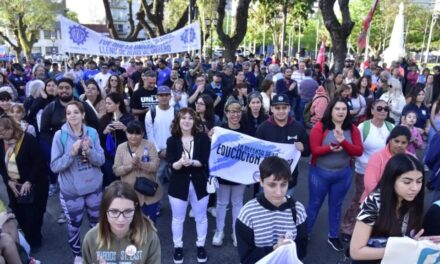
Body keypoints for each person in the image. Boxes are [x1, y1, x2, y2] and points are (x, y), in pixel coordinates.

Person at [50, 101, 105, 264]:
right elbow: (54, 166)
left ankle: (95, 252)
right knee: (74, 225)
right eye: (69, 113)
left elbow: (101, 160)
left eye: (76, 112)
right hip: (72, 191)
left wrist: (89, 150)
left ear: (83, 114)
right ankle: (78, 254)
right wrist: (72, 152)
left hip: (93, 187)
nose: (72, 115)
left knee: (96, 224)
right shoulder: (60, 136)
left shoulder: (93, 133)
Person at [308, 97, 363, 251]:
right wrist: (330, 148)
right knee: (314, 204)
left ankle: (333, 235)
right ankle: (305, 233)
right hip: (319, 173)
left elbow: (358, 151)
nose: (340, 112)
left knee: (336, 205)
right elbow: (314, 150)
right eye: (337, 109)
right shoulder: (320, 127)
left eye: (344, 109)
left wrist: (343, 142)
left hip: (342, 174)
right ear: (330, 110)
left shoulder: (352, 129)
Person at [350, 154, 425, 263]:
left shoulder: (412, 201)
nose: (415, 188)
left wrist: (414, 243)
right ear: (391, 180)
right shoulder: (374, 203)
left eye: (419, 181)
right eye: (407, 182)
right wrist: (400, 250)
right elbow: (356, 252)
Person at [235, 156, 308, 264]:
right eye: (272, 185)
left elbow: (301, 251)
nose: (279, 192)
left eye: (283, 184)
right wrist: (274, 249)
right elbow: (246, 258)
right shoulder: (247, 214)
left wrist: (289, 248)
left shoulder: (298, 211)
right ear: (261, 181)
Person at [340, 100, 394, 241]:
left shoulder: (391, 126)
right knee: (359, 199)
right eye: (380, 108)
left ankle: (367, 229)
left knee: (379, 201)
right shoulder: (363, 127)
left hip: (385, 171)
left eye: (386, 109)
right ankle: (347, 227)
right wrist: (366, 163)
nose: (383, 111)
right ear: (372, 110)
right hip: (364, 170)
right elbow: (357, 149)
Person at [166, 108, 211, 264]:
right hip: (178, 185)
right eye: (183, 118)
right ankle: (178, 247)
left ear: (194, 121)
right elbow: (172, 165)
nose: (186, 121)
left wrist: (192, 162)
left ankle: (201, 245)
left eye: (190, 118)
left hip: (200, 184)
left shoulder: (203, 138)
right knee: (178, 218)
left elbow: (204, 162)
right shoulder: (171, 141)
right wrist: (180, 162)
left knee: (201, 217)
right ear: (178, 121)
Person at [82, 181, 161, 264]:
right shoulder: (91, 238)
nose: (121, 219)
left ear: (136, 209)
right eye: (114, 211)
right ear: (104, 210)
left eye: (128, 211)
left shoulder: (149, 237)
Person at [0, 114, 48, 250]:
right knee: (19, 214)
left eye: (3, 132)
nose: (1, 136)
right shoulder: (1, 142)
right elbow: (1, 166)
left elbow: (38, 162)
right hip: (13, 185)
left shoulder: (28, 140)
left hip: (34, 183)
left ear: (11, 128)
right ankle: (28, 236)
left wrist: (29, 181)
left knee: (34, 215)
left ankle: (35, 240)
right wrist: (8, 181)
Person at [256, 94, 310, 194]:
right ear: (272, 109)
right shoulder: (263, 128)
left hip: (289, 180)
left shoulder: (298, 127)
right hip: (268, 178)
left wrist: (303, 148)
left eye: (284, 108)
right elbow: (256, 153)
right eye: (277, 108)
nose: (281, 111)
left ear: (289, 108)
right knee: (266, 208)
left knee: (285, 208)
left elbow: (308, 151)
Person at [213, 100, 249, 248]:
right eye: (232, 111)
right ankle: (219, 231)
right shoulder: (219, 129)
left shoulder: (247, 130)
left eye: (238, 111)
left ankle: (236, 232)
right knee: (221, 203)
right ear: (226, 113)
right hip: (223, 174)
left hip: (240, 175)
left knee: (237, 203)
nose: (235, 114)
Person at [113, 120, 161, 223]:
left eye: (137, 133)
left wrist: (141, 165)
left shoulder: (150, 145)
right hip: (129, 195)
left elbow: (156, 166)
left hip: (149, 194)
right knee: (132, 227)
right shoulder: (121, 147)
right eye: (130, 133)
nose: (133, 136)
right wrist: (130, 166)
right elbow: (116, 170)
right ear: (126, 133)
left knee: (151, 225)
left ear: (143, 134)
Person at [361, 126, 412, 202]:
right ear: (390, 140)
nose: (399, 145)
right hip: (376, 201)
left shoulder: (411, 159)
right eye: (396, 141)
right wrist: (387, 202)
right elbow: (370, 185)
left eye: (403, 142)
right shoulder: (377, 157)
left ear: (408, 143)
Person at [99, 93, 135, 187]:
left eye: (109, 103)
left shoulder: (128, 118)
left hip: (125, 155)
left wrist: (125, 129)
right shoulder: (105, 119)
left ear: (118, 104)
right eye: (106, 103)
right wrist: (105, 131)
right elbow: (98, 140)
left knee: (126, 183)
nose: (106, 106)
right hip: (109, 157)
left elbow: (137, 136)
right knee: (112, 184)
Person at [145, 85, 175, 185]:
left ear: (170, 96)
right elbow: (150, 135)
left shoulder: (176, 112)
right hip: (157, 154)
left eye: (166, 95)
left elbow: (178, 133)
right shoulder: (151, 113)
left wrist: (170, 150)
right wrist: (158, 151)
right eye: (161, 95)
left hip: (173, 153)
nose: (164, 97)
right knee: (156, 182)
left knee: (175, 183)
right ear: (157, 97)